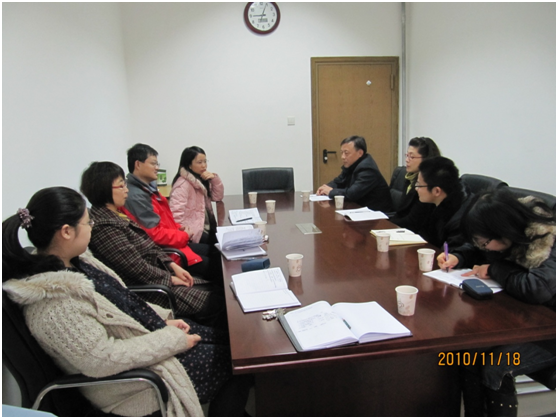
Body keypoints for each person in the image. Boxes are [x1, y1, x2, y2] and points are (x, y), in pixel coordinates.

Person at [2, 187, 252, 417]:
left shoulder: (78, 262)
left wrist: (164, 320)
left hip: (148, 339)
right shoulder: (54, 303)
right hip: (134, 384)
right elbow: (102, 359)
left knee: (232, 343)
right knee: (238, 362)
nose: (91, 228)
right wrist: (171, 340)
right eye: (87, 223)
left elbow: (121, 304)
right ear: (67, 232)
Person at [437, 188, 555, 416]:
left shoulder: (548, 239)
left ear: (503, 231)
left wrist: (494, 269)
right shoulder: (509, 232)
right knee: (469, 353)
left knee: (497, 365)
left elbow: (537, 287)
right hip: (529, 318)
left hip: (550, 329)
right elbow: (480, 247)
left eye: (484, 242)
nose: (482, 247)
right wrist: (458, 257)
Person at [80, 161, 226, 327]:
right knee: (218, 303)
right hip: (152, 290)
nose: (126, 190)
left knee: (218, 289)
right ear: (104, 189)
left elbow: (149, 246)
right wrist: (170, 279)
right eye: (121, 185)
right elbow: (136, 267)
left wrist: (172, 265)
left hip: (160, 275)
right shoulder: (105, 228)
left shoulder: (117, 214)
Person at [122, 143, 221, 281]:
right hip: (169, 254)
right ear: (138, 164)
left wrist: (180, 229)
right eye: (153, 163)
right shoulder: (137, 196)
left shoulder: (148, 189)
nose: (157, 168)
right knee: (219, 266)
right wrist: (183, 235)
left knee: (219, 253)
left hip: (176, 244)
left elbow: (166, 222)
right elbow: (155, 235)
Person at [407, 156, 471, 248]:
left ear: (437, 191)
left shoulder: (459, 220)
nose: (416, 188)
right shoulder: (434, 201)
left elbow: (450, 252)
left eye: (419, 185)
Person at [316, 135, 393, 212]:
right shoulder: (352, 165)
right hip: (359, 209)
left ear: (360, 153)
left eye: (346, 153)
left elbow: (351, 194)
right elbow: (338, 181)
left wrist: (330, 192)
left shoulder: (367, 169)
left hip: (376, 214)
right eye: (341, 153)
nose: (343, 157)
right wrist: (325, 188)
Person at [170, 146, 224, 245]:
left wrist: (214, 179)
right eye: (199, 162)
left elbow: (218, 197)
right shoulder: (182, 185)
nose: (204, 166)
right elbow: (176, 216)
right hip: (194, 233)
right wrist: (186, 236)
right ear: (189, 165)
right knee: (221, 247)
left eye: (205, 161)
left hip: (206, 226)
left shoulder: (201, 178)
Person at [390, 137, 441, 230]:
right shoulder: (410, 177)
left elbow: (414, 221)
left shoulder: (428, 184)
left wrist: (387, 225)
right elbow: (401, 213)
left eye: (412, 157)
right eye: (407, 155)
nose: (407, 160)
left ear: (426, 159)